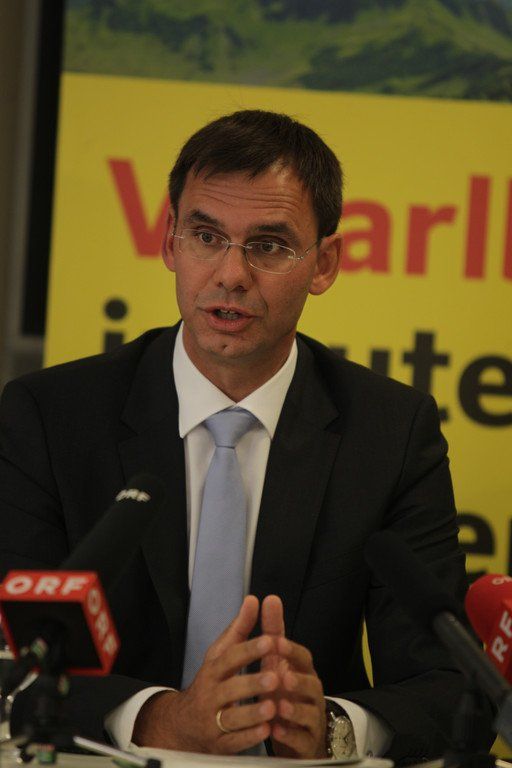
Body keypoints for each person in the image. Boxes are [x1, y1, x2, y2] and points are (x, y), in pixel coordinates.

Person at [0, 110, 493, 762]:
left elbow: (447, 683)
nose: (231, 274)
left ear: (325, 264)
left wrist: (331, 727)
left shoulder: (391, 433)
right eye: (206, 236)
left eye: (269, 245)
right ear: (170, 243)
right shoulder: (51, 416)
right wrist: (160, 719)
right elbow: (15, 662)